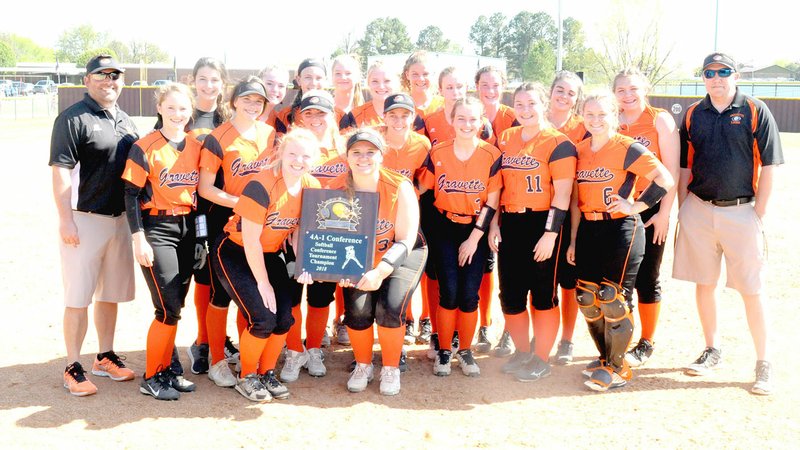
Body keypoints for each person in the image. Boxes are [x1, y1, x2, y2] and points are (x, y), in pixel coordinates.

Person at [674, 52, 783, 395]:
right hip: (700, 208)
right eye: (710, 73)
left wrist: (758, 212)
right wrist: (683, 209)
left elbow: (770, 166)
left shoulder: (753, 109)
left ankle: (763, 362)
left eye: (724, 72)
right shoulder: (694, 114)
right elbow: (684, 168)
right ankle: (712, 349)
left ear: (735, 75)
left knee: (751, 288)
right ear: (703, 77)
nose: (717, 78)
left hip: (742, 210)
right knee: (704, 283)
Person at [305, 128, 425, 395]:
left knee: (390, 307)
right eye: (356, 152)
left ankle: (391, 367)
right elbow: (325, 238)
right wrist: (328, 268)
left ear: (381, 155)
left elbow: (405, 240)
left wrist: (381, 272)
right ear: (346, 157)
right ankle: (363, 364)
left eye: (370, 152)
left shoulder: (399, 185)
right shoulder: (335, 188)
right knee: (357, 311)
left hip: (400, 254)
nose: (363, 158)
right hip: (360, 259)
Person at [567, 92, 673, 392]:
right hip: (589, 229)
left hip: (621, 230)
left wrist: (636, 206)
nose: (596, 120)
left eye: (602, 114)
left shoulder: (628, 147)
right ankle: (605, 358)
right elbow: (576, 201)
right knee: (587, 298)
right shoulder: (580, 149)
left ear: (614, 115)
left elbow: (665, 178)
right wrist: (573, 240)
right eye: (589, 114)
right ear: (582, 116)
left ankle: (618, 367)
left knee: (613, 298)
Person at [49, 54, 138, 397]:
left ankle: (104, 355)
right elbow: (59, 172)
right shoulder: (73, 118)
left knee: (110, 294)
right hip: (84, 220)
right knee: (78, 297)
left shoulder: (127, 121)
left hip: (119, 221)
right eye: (101, 75)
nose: (109, 81)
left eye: (115, 75)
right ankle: (73, 364)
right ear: (87, 80)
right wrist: (65, 219)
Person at [213, 129, 321, 402]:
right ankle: (247, 375)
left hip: (270, 254)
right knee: (262, 318)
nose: (298, 160)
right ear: (281, 153)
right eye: (292, 153)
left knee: (284, 318)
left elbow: (300, 230)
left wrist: (306, 260)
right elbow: (250, 240)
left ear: (315, 159)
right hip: (236, 252)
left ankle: (266, 371)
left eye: (306, 156)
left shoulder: (312, 186)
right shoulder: (260, 185)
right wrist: (263, 283)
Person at [488, 83, 576, 381]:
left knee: (542, 296)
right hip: (510, 223)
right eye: (520, 105)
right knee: (510, 294)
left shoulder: (559, 142)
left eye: (532, 104)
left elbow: (563, 193)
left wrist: (551, 234)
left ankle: (541, 358)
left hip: (542, 222)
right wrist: (494, 223)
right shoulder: (507, 137)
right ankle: (523, 352)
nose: (525, 110)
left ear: (544, 106)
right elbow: (497, 186)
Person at [122, 83, 203, 400]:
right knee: (167, 306)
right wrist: (138, 237)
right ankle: (153, 374)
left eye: (183, 108)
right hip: (157, 227)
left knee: (176, 304)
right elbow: (130, 194)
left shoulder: (196, 145)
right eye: (171, 108)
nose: (177, 114)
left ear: (190, 111)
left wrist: (201, 237)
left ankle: (168, 368)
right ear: (159, 108)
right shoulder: (145, 146)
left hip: (187, 227)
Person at [198, 77, 275, 389]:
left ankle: (247, 356)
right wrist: (242, 204)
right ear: (233, 101)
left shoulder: (270, 134)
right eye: (247, 99)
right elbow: (205, 188)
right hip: (225, 220)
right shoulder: (219, 137)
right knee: (220, 294)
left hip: (261, 223)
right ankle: (217, 359)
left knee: (252, 292)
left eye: (259, 101)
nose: (253, 105)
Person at [419, 97, 502, 377]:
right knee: (449, 292)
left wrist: (475, 238)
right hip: (444, 228)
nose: (467, 124)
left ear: (482, 122)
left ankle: (464, 350)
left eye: (473, 119)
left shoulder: (491, 154)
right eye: (461, 119)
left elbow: (492, 201)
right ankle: (444, 349)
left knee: (469, 295)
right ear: (451, 121)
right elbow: (421, 189)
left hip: (474, 231)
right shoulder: (438, 151)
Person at [280, 90, 348, 383]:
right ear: (299, 116)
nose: (316, 119)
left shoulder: (345, 148)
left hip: (330, 232)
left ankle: (314, 347)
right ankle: (294, 350)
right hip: (294, 229)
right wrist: (288, 226)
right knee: (293, 292)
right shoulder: (292, 145)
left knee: (321, 295)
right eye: (309, 113)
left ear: (332, 115)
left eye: (322, 113)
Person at [613, 68, 679, 367]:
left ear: (645, 89)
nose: (627, 95)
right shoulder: (611, 119)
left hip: (650, 207)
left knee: (647, 276)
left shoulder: (659, 119)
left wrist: (665, 213)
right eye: (621, 90)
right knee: (618, 279)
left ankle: (647, 341)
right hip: (619, 208)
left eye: (633, 89)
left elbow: (672, 171)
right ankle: (618, 340)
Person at [379, 93, 433, 349]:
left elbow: (426, 177)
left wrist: (410, 195)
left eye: (405, 115)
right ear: (384, 116)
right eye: (393, 115)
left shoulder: (421, 143)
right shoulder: (375, 140)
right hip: (377, 218)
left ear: (413, 117)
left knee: (402, 272)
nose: (398, 120)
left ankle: (407, 320)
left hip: (405, 219)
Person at [473, 65, 518, 354]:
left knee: (512, 271)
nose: (490, 89)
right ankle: (484, 326)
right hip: (477, 201)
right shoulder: (468, 113)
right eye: (484, 84)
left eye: (496, 84)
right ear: (476, 86)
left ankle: (511, 330)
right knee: (483, 268)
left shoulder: (513, 117)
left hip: (511, 200)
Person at [546, 70, 589, 364]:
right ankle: (540, 332)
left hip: (572, 210)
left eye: (571, 93)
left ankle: (567, 339)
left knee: (568, 279)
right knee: (537, 278)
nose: (564, 96)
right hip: (536, 210)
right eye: (560, 90)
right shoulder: (532, 119)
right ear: (550, 91)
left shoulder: (584, 127)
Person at [271, 58, 327, 135]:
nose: (313, 83)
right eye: (308, 77)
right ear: (298, 80)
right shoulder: (285, 115)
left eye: (319, 78)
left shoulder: (336, 114)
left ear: (325, 81)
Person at [400, 50, 444, 119]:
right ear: (407, 75)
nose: (421, 79)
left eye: (425, 74)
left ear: (433, 74)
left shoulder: (444, 105)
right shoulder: (400, 106)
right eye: (415, 74)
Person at [331, 54, 364, 129]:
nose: (343, 77)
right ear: (332, 76)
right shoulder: (325, 111)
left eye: (348, 73)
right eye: (338, 73)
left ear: (358, 77)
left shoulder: (364, 112)